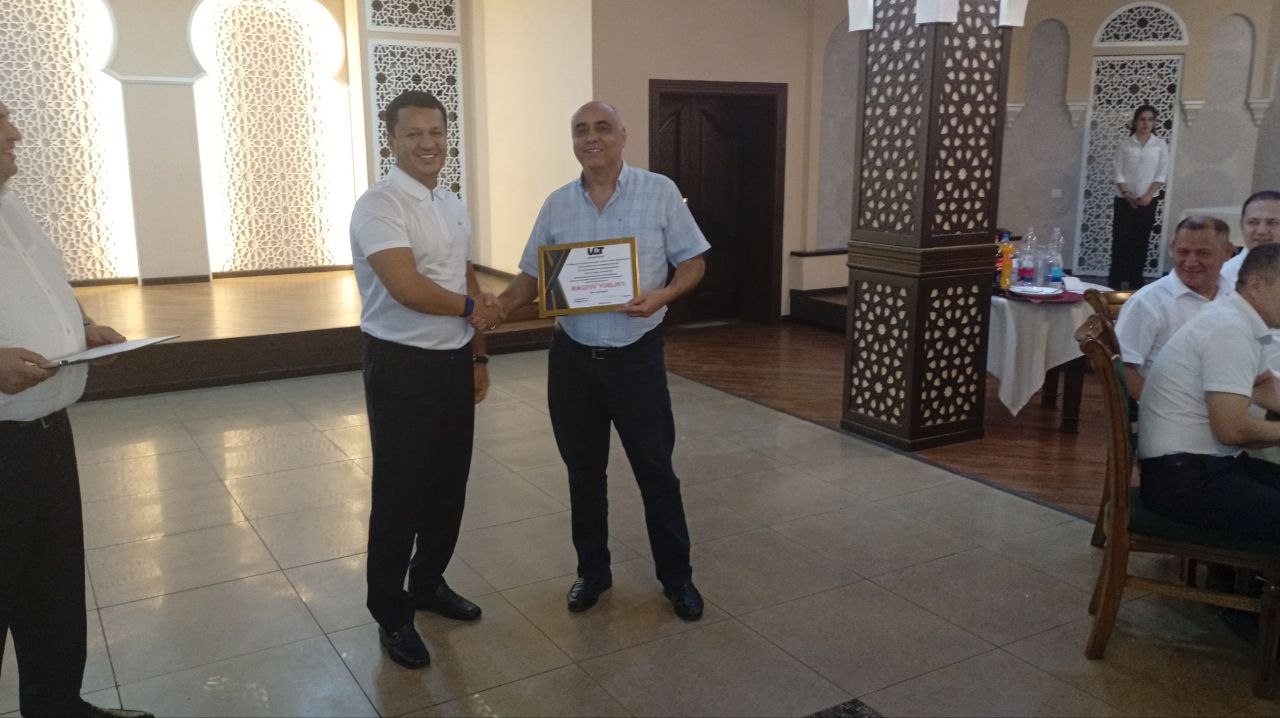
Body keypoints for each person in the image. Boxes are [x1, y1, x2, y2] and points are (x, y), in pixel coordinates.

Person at [498, 101, 709, 620]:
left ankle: (677, 578)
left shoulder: (659, 191)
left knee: (655, 471)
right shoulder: (556, 204)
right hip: (573, 361)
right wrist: (497, 307)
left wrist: (663, 295)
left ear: (622, 135)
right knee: (583, 473)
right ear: (573, 140)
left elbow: (693, 261)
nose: (591, 138)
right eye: (581, 130)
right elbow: (532, 277)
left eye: (602, 128)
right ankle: (592, 573)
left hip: (636, 359)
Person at [0, 102, 150, 718]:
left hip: (44, 431)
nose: (15, 131)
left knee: (51, 585)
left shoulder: (11, 206)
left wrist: (81, 328)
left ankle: (57, 705)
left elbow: (45, 286)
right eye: (0, 120)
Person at [349, 90, 503, 670]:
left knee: (448, 483)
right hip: (401, 365)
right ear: (392, 140)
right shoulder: (379, 205)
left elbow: (464, 276)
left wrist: (478, 356)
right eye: (413, 133)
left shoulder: (451, 202)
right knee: (400, 492)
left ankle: (429, 582)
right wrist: (474, 309)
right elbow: (406, 287)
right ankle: (391, 612)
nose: (428, 143)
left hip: (452, 362)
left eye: (436, 132)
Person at [1137, 243, 1280, 544]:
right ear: (1256, 285)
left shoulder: (1237, 317)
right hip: (1183, 481)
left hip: (1204, 466)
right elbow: (1232, 430)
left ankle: (1236, 570)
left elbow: (1263, 384)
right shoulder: (1229, 329)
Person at [1113, 215, 1233, 399]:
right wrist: (1164, 406)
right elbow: (1121, 368)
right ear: (1172, 249)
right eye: (1183, 252)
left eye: (1203, 253)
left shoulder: (1236, 296)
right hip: (1172, 408)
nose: (1190, 262)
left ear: (1227, 253)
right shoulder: (1148, 302)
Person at [1109, 104, 1169, 290]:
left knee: (1140, 240)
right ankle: (1115, 281)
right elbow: (1118, 172)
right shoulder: (1125, 144)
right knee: (1121, 240)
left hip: (1148, 200)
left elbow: (1161, 173)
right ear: (1135, 122)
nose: (1146, 123)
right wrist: (1127, 193)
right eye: (1142, 119)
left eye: (1150, 119)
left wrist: (1148, 195)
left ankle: (1136, 281)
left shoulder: (1160, 145)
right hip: (1124, 199)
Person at [1220, 190, 1280, 286]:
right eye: (1253, 222)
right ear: (1241, 225)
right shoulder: (1223, 277)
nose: (1261, 231)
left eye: (1272, 223)